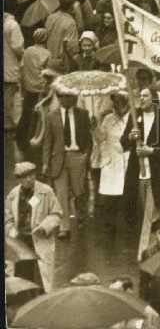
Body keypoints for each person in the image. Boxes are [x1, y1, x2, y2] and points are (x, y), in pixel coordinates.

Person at [41, 86, 93, 239]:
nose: (67, 99)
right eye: (63, 96)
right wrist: (45, 163)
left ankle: (81, 215)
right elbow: (47, 142)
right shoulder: (51, 116)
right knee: (61, 193)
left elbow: (88, 139)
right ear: (59, 97)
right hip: (58, 159)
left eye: (70, 96)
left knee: (79, 191)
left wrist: (86, 156)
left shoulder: (83, 114)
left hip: (77, 156)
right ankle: (64, 227)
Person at [121, 86, 160, 222]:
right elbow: (123, 142)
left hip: (159, 173)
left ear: (154, 99)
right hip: (139, 173)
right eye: (140, 95)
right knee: (141, 213)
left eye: (145, 96)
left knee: (158, 214)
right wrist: (130, 136)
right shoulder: (134, 116)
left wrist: (152, 151)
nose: (141, 98)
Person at [5, 160, 62, 292]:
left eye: (32, 175)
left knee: (41, 280)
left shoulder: (46, 191)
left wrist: (44, 227)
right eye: (25, 177)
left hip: (39, 240)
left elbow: (56, 213)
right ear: (19, 179)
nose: (30, 179)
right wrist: (11, 230)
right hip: (21, 243)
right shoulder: (13, 194)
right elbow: (7, 217)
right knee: (22, 278)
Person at [96, 91, 131, 233]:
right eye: (115, 102)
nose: (118, 105)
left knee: (127, 194)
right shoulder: (108, 119)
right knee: (110, 197)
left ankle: (129, 224)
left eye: (121, 101)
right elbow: (100, 139)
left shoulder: (132, 118)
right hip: (111, 162)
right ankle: (109, 225)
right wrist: (94, 128)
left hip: (126, 159)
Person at [45, 0, 80, 73]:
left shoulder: (50, 17)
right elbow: (71, 46)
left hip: (48, 58)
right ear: (71, 7)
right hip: (62, 62)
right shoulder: (70, 22)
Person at [4, 8, 25, 134]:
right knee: (9, 94)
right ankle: (7, 122)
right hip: (10, 65)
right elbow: (17, 47)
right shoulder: (12, 25)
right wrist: (22, 56)